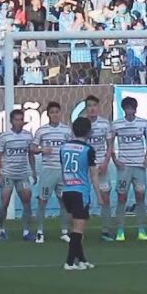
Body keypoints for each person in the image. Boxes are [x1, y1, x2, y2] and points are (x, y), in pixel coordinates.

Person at [60, 117, 99, 271]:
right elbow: (94, 175)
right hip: (80, 191)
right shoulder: (88, 150)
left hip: (67, 189)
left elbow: (63, 168)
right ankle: (69, 262)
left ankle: (81, 260)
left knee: (77, 226)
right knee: (78, 230)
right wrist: (100, 196)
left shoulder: (64, 147)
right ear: (88, 131)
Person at [112, 96, 147, 242]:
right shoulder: (117, 124)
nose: (130, 111)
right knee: (122, 197)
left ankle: (141, 230)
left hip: (139, 166)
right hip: (124, 167)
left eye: (132, 108)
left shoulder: (143, 123)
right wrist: (115, 159)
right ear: (124, 109)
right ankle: (120, 230)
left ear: (135, 109)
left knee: (140, 197)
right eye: (127, 108)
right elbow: (110, 142)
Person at [0, 109, 38, 242]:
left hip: (23, 174)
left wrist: (33, 171)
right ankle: (1, 228)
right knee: (5, 202)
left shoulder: (28, 136)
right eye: (16, 119)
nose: (19, 122)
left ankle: (26, 231)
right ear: (11, 121)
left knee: (27, 200)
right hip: (7, 174)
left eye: (21, 119)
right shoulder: (4, 137)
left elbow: (30, 154)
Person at [35, 102, 73, 244]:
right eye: (52, 112)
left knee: (64, 202)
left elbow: (72, 148)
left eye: (57, 112)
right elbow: (33, 148)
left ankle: (64, 232)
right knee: (42, 201)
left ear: (60, 113)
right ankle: (40, 232)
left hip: (63, 172)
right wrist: (41, 150)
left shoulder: (67, 131)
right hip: (48, 171)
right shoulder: (41, 131)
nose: (55, 114)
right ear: (48, 114)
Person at [84, 95, 115, 242]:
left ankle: (106, 230)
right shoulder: (81, 124)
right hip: (84, 167)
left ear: (98, 107)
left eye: (94, 105)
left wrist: (105, 162)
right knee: (82, 199)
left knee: (105, 198)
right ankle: (79, 230)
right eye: (89, 105)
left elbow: (110, 146)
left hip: (101, 165)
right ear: (86, 108)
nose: (92, 108)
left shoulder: (105, 124)